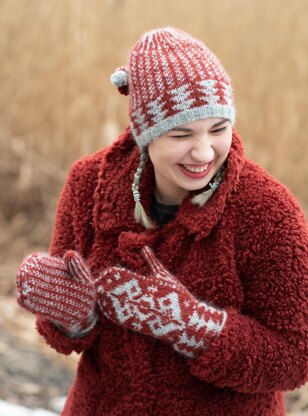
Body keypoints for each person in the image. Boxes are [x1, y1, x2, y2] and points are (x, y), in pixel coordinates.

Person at [16, 27, 307, 416]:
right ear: (144, 133)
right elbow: (65, 336)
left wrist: (194, 326)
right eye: (181, 134)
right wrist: (72, 319)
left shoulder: (268, 210)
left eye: (218, 129)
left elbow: (296, 356)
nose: (203, 152)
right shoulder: (88, 185)